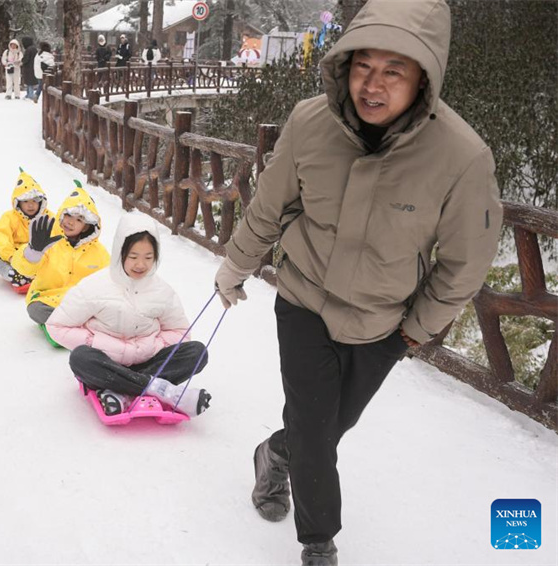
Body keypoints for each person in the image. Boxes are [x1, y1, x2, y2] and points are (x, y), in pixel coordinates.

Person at [213, 0, 502, 564]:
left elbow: (464, 265)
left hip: (381, 320)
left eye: (394, 70)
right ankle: (318, 542)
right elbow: (268, 209)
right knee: (318, 429)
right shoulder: (309, 122)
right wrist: (235, 266)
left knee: (328, 425)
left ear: (425, 78)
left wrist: (414, 332)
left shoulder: (463, 157)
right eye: (362, 65)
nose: (373, 84)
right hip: (304, 298)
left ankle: (274, 453)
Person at [46, 214, 212, 418]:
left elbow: (179, 331)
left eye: (148, 257)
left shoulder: (162, 291)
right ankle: (163, 390)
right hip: (107, 362)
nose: (140, 264)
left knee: (197, 352)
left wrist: (151, 347)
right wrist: (96, 342)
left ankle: (121, 393)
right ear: (120, 254)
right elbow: (56, 326)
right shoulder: (94, 286)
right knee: (81, 358)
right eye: (133, 257)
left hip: (148, 362)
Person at [19, 182, 110, 334]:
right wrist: (33, 252)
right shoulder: (49, 242)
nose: (70, 221)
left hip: (82, 303)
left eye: (79, 219)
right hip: (50, 300)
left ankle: (69, 327)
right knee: (35, 309)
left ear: (87, 226)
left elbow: (109, 278)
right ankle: (83, 327)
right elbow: (25, 270)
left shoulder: (99, 252)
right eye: (68, 215)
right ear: (61, 214)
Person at [0, 169, 55, 290]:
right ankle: (12, 274)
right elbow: (0, 236)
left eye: (34, 201)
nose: (30, 205)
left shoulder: (48, 217)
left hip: (39, 257)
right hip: (15, 256)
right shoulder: (9, 217)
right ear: (18, 202)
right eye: (26, 201)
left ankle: (38, 275)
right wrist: (12, 257)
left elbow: (58, 237)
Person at [21, 36, 39, 101]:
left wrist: (22, 60)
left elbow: (26, 59)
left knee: (29, 82)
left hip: (28, 68)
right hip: (33, 67)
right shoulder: (34, 49)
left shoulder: (28, 50)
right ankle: (29, 94)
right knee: (30, 82)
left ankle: (30, 95)